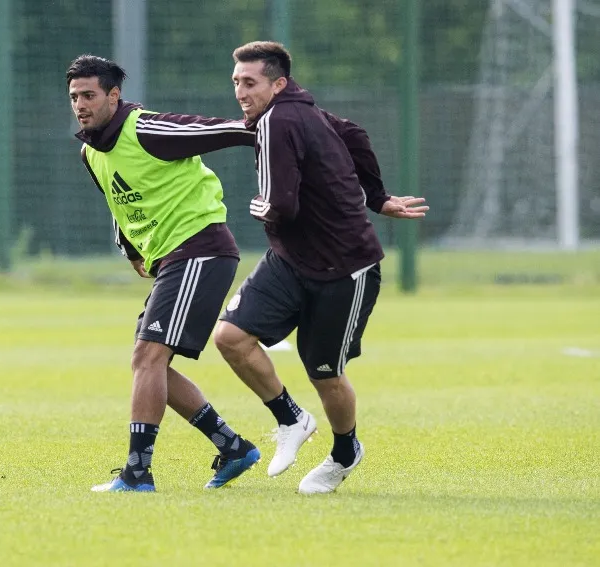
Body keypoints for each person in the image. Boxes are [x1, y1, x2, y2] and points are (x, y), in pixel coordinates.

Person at [213, 41, 429, 494]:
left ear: (278, 83)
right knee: (231, 336)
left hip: (345, 269)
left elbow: (283, 206)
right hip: (291, 260)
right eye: (236, 82)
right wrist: (378, 197)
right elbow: (352, 133)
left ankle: (346, 450)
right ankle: (292, 419)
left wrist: (262, 208)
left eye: (249, 82)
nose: (240, 91)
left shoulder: (279, 119)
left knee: (324, 373)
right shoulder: (300, 110)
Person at [66, 54, 261, 492]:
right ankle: (232, 447)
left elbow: (213, 129)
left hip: (201, 249)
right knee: (152, 366)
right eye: (75, 96)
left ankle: (137, 474)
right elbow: (119, 198)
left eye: (90, 95)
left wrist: (265, 129)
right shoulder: (90, 151)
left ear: (114, 96)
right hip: (174, 259)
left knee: (147, 359)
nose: (81, 104)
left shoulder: (146, 128)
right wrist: (133, 248)